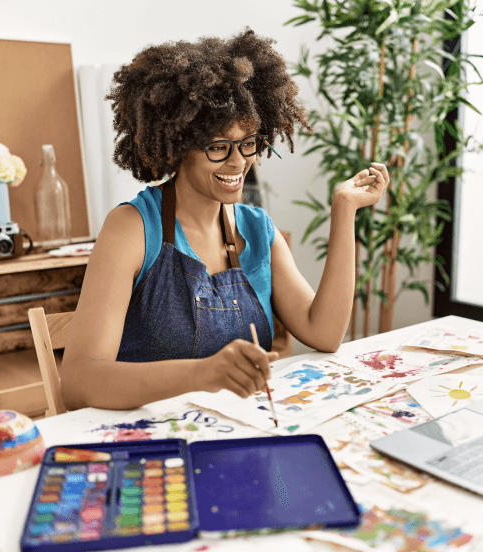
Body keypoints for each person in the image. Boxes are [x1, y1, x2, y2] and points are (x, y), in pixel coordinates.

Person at [61, 29, 388, 410]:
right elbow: (79, 381)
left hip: (236, 428)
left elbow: (325, 333)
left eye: (247, 143)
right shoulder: (132, 228)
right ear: (180, 145)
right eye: (218, 147)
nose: (238, 162)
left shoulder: (257, 228)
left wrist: (344, 210)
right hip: (154, 442)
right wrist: (202, 374)